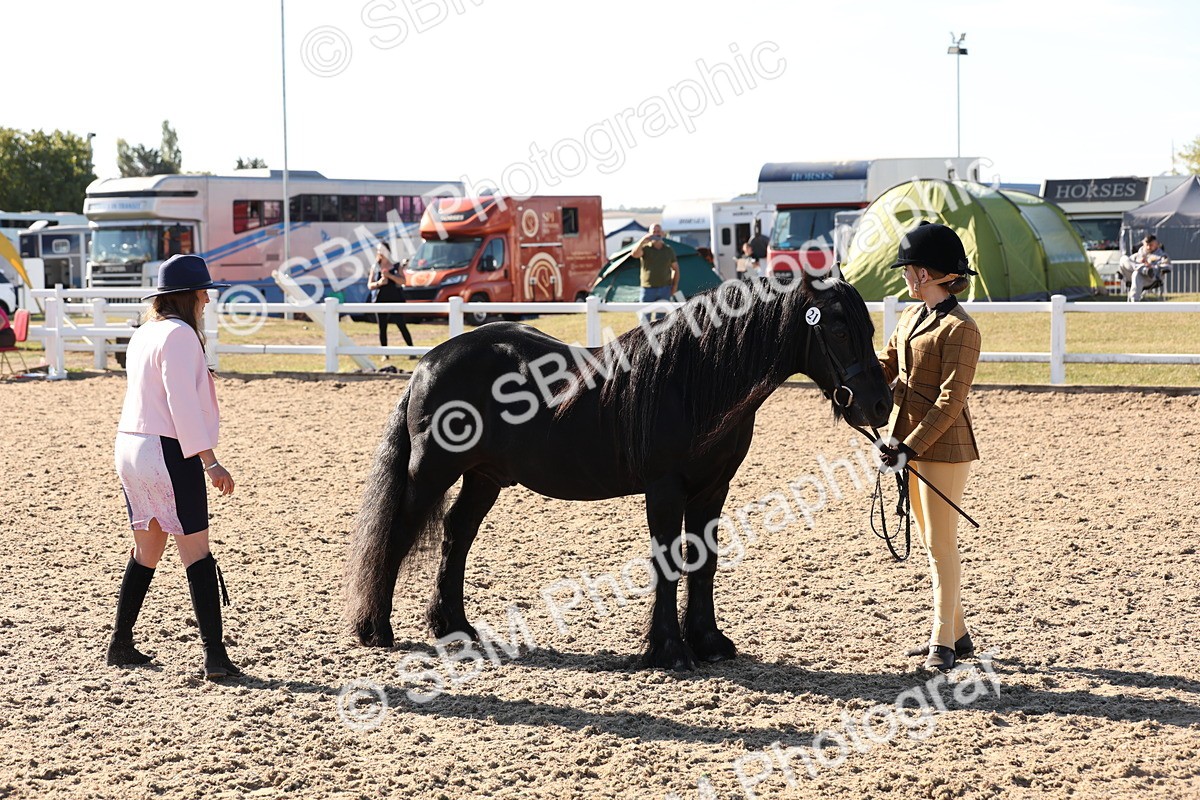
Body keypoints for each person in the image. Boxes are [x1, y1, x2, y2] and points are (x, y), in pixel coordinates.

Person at [109, 254, 242, 680]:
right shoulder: (182, 335)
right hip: (168, 448)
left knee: (146, 550)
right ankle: (215, 656)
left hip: (131, 446)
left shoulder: (145, 332)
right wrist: (210, 461)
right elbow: (181, 403)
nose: (207, 298)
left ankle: (121, 643)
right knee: (196, 551)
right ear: (187, 295)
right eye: (202, 290)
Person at [875, 221, 982, 673]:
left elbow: (950, 401)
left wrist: (909, 447)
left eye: (908, 270)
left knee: (941, 544)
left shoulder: (962, 328)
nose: (904, 278)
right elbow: (887, 365)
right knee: (929, 541)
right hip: (908, 444)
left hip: (945, 447)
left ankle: (942, 642)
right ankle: (959, 633)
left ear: (925, 273)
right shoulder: (909, 317)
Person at [367, 243, 413, 355]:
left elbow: (403, 281)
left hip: (395, 299)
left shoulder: (396, 266)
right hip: (380, 300)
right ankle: (385, 354)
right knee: (382, 328)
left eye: (382, 250)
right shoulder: (375, 267)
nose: (380, 252)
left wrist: (390, 276)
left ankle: (412, 350)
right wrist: (379, 283)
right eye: (379, 250)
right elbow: (369, 285)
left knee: (401, 325)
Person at [630, 223, 679, 322]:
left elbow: (676, 269)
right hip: (647, 289)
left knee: (661, 321)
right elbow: (634, 254)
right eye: (654, 232)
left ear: (662, 233)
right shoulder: (645, 248)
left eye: (658, 232)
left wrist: (674, 286)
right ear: (649, 234)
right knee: (644, 320)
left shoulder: (668, 250)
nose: (656, 234)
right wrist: (643, 240)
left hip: (665, 289)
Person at [1128, 234, 1170, 302]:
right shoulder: (1138, 254)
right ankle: (1143, 269)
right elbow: (1128, 263)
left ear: (1156, 244)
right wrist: (1140, 264)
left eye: (1151, 245)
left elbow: (1167, 267)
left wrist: (1152, 266)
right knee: (1124, 259)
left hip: (1151, 278)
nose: (1148, 247)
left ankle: (1134, 302)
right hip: (1134, 277)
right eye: (1146, 245)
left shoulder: (1162, 256)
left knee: (1136, 273)